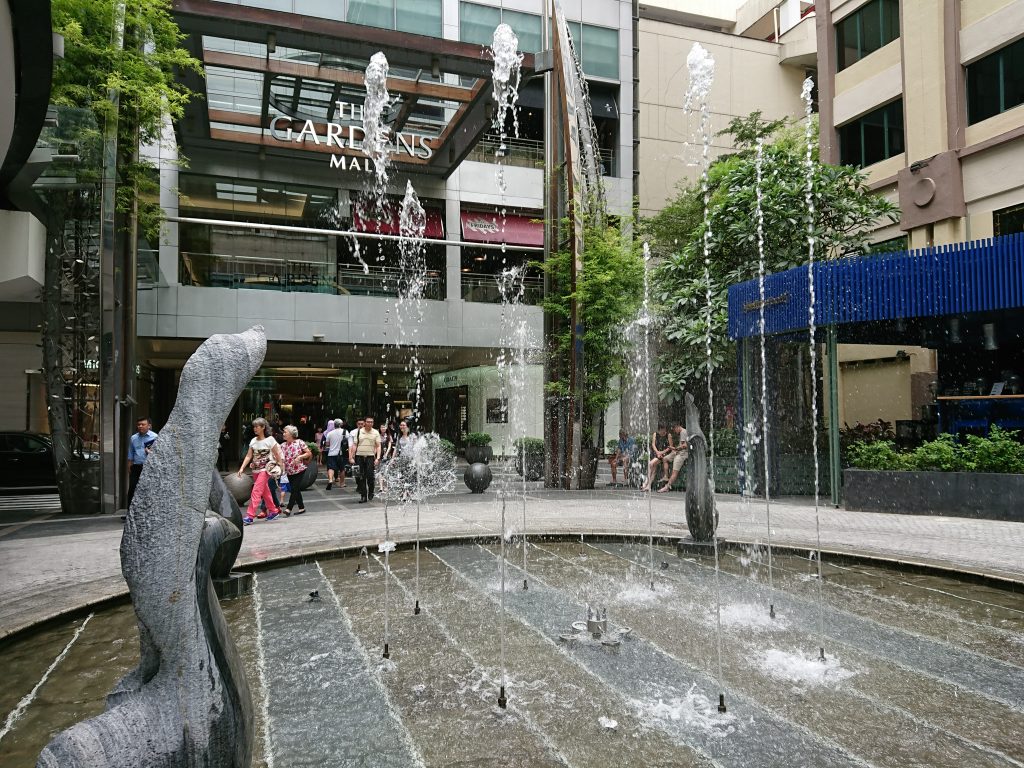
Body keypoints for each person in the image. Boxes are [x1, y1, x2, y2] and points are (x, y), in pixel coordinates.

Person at [237, 417, 285, 524]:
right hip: (255, 470)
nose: (255, 428)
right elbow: (249, 456)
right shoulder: (253, 441)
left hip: (265, 469)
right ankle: (273, 511)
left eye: (257, 426)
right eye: (254, 426)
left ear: (263, 427)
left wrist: (280, 467)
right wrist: (242, 468)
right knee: (265, 492)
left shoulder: (270, 439)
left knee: (256, 491)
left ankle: (250, 515)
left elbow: (277, 454)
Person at [126, 416, 158, 508]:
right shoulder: (133, 438)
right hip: (136, 467)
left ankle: (149, 510)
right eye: (138, 424)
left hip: (149, 467)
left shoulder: (155, 437)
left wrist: (150, 452)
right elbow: (131, 453)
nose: (140, 426)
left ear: (149, 426)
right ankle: (130, 511)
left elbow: (159, 455)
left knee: (148, 489)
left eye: (143, 424)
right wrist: (129, 466)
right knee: (132, 489)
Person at [349, 415, 381, 503]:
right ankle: (363, 496)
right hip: (359, 456)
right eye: (368, 422)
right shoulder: (359, 432)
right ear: (365, 423)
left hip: (370, 456)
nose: (370, 423)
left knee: (370, 476)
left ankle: (371, 490)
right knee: (360, 476)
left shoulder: (375, 432)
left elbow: (378, 446)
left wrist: (378, 458)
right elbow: (355, 445)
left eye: (371, 422)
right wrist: (351, 457)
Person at [281, 425, 313, 515]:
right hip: (289, 471)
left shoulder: (299, 442)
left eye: (285, 432)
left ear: (291, 434)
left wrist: (300, 457)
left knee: (294, 488)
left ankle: (289, 508)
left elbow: (308, 453)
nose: (283, 434)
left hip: (299, 469)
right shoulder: (282, 445)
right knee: (295, 489)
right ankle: (301, 508)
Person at [657, 420, 690, 493]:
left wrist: (675, 449)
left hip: (682, 454)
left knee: (674, 472)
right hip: (678, 452)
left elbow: (684, 446)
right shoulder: (682, 432)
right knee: (665, 459)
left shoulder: (683, 432)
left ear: (677, 427)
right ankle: (666, 476)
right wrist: (674, 449)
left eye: (674, 429)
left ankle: (667, 487)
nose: (674, 431)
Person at [641, 423, 672, 493]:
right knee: (653, 468)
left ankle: (646, 482)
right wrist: (657, 452)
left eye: (664, 429)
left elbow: (670, 447)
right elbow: (653, 444)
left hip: (664, 454)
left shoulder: (668, 435)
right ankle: (648, 485)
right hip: (656, 453)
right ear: (659, 429)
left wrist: (661, 452)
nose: (663, 431)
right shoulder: (655, 434)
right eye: (662, 429)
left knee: (650, 464)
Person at [324, 418, 348, 491]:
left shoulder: (330, 433)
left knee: (331, 468)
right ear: (341, 424)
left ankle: (330, 480)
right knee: (342, 469)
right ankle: (342, 483)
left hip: (331, 453)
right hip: (341, 453)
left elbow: (327, 444)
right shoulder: (345, 432)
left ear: (334, 425)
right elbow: (348, 441)